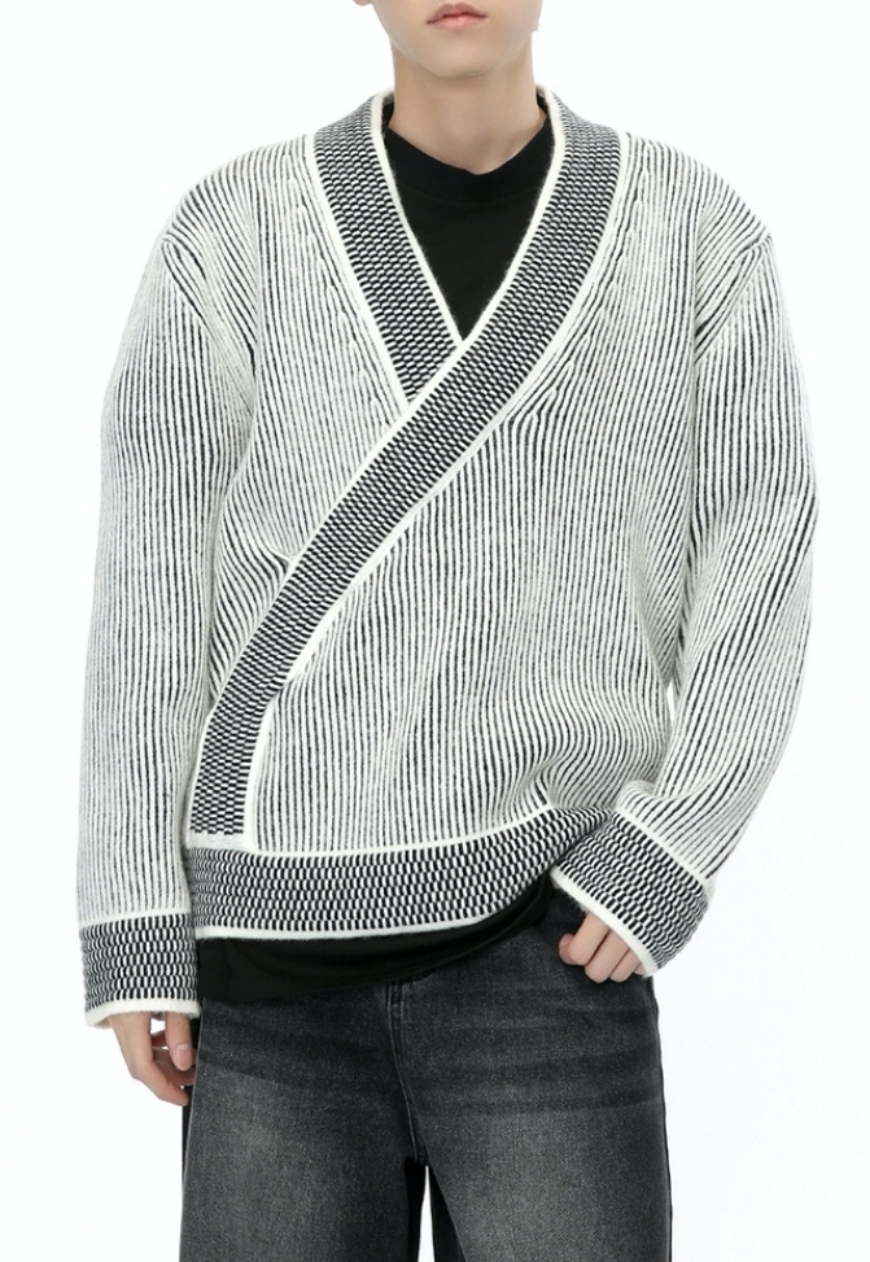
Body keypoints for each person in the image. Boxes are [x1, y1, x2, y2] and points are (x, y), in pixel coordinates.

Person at [76, 1, 816, 1258]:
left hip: (550, 948)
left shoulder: (695, 234)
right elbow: (153, 578)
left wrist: (672, 842)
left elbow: (764, 542)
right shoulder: (233, 232)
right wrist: (134, 911)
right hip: (270, 964)